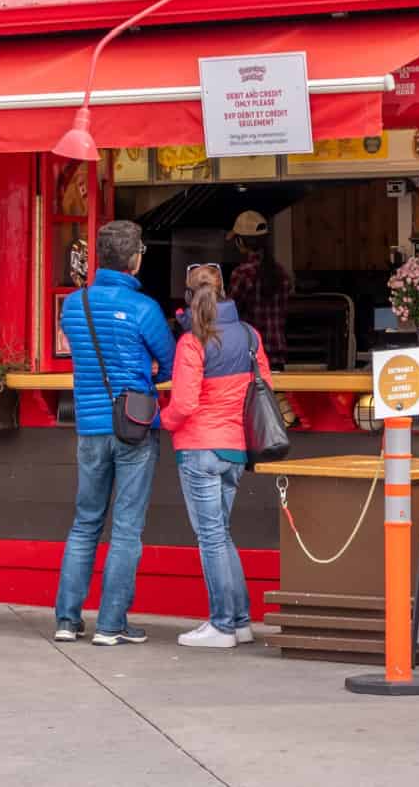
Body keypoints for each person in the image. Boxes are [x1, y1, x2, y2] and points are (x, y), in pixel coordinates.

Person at [54, 219, 175, 646]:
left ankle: (67, 621)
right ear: (135, 260)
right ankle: (111, 623)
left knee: (85, 522)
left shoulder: (73, 305)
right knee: (125, 527)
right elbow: (170, 361)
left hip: (89, 426)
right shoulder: (144, 310)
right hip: (134, 426)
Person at [161, 264, 273, 649]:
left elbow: (185, 403)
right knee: (221, 535)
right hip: (234, 448)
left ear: (190, 297)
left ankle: (222, 625)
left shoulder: (192, 342)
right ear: (224, 290)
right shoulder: (249, 335)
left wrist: (164, 420)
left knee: (210, 538)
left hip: (198, 449)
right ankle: (240, 622)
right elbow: (266, 388)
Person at [226, 210, 291, 366]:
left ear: (241, 242)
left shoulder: (242, 274)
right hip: (277, 357)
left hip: (251, 356)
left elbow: (228, 314)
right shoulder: (281, 273)